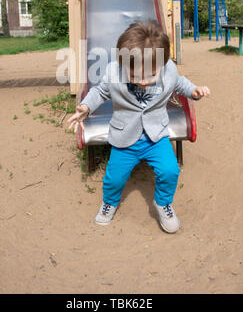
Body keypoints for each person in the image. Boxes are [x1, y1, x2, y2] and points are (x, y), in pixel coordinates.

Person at [67, 20, 210, 233]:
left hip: (156, 137)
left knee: (170, 171)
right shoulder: (114, 72)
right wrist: (86, 107)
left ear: (161, 64)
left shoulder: (167, 69)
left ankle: (163, 203)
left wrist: (194, 91)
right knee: (114, 178)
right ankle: (110, 202)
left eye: (151, 76)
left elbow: (179, 83)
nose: (143, 82)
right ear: (124, 63)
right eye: (135, 76)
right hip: (125, 139)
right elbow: (101, 91)